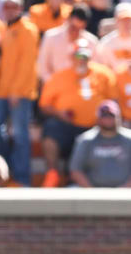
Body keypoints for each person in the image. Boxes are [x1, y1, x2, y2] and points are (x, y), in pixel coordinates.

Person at [39, 43, 117, 186]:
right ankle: (53, 174)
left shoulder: (104, 74)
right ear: (71, 57)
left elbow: (113, 102)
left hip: (96, 127)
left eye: (84, 57)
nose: (81, 60)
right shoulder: (59, 77)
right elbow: (44, 105)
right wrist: (59, 113)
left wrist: (103, 117)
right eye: (78, 56)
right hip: (67, 125)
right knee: (50, 128)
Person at [0, 0, 39, 186]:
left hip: (21, 91)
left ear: (21, 8)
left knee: (20, 134)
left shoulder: (28, 29)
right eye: (6, 6)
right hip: (2, 88)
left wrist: (17, 91)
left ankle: (22, 178)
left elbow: (27, 64)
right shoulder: (6, 29)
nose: (10, 10)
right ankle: (6, 168)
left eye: (14, 6)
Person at [69, 100, 131, 187]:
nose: (108, 119)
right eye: (104, 115)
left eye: (111, 115)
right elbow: (75, 170)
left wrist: (123, 190)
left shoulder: (129, 139)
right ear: (97, 118)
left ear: (119, 117)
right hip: (92, 192)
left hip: (126, 192)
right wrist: (93, 193)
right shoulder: (86, 140)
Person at [37, 4, 97, 84]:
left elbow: (94, 68)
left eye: (79, 29)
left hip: (79, 89)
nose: (75, 32)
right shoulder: (51, 37)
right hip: (54, 87)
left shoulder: (91, 42)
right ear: (68, 20)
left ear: (85, 26)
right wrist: (55, 84)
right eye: (73, 27)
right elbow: (42, 67)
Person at [95, 3, 131, 72]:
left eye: (129, 20)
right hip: (114, 81)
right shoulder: (105, 44)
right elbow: (102, 68)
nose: (126, 24)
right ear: (116, 21)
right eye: (123, 20)